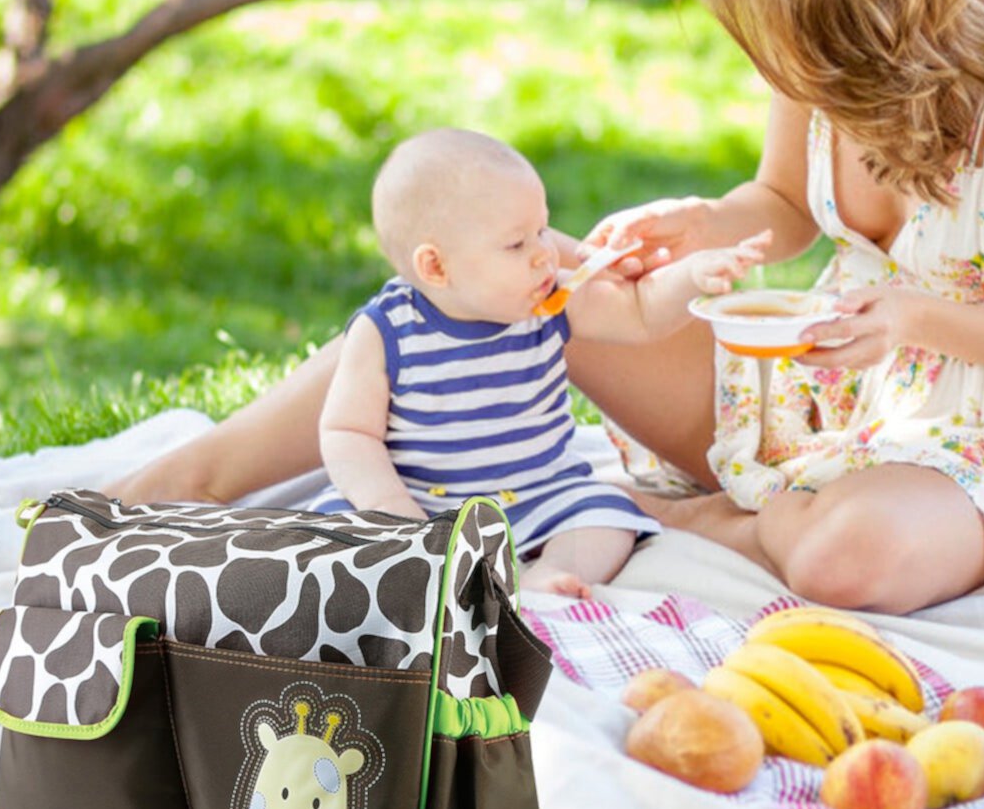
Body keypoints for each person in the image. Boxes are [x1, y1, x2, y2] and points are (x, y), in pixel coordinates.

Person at [120, 0, 984, 616]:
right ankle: (190, 477)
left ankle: (652, 515)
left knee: (847, 557)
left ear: (876, 2)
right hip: (828, 387)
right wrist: (704, 224)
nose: (799, 80)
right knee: (528, 283)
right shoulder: (815, 42)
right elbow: (783, 203)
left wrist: (911, 321)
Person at [313, 128, 767, 596]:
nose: (545, 255)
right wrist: (391, 507)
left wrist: (692, 275)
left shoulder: (550, 304)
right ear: (436, 268)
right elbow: (348, 432)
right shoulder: (387, 329)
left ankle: (548, 577)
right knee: (334, 538)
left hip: (536, 496)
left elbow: (639, 315)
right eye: (516, 245)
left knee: (605, 519)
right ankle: (412, 574)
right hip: (421, 499)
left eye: (542, 230)